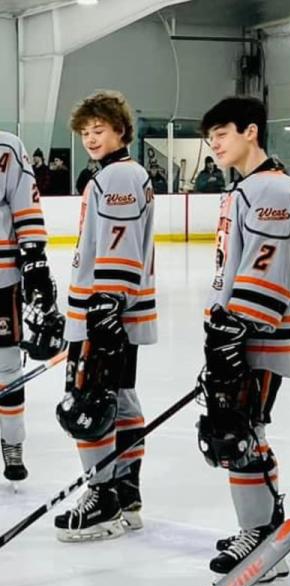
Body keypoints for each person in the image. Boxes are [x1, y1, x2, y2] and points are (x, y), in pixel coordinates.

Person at [198, 96, 290, 582]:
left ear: (251, 132)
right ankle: (258, 526)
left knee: (242, 432)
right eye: (210, 138)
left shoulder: (272, 190)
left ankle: (262, 540)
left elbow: (267, 268)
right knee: (237, 427)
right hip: (237, 334)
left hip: (254, 336)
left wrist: (233, 331)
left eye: (222, 133)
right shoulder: (249, 188)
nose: (214, 145)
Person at [54, 90, 156, 541]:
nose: (91, 138)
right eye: (85, 132)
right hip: (113, 309)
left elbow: (119, 246)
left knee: (88, 402)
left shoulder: (117, 177)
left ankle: (102, 497)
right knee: (121, 399)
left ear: (120, 130)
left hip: (103, 311)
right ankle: (125, 493)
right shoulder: (119, 175)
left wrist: (106, 304)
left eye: (99, 129)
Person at [0, 130, 64, 482]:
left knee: (7, 366)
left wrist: (35, 262)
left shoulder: (7, 147)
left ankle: (12, 444)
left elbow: (26, 202)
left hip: (2, 279)